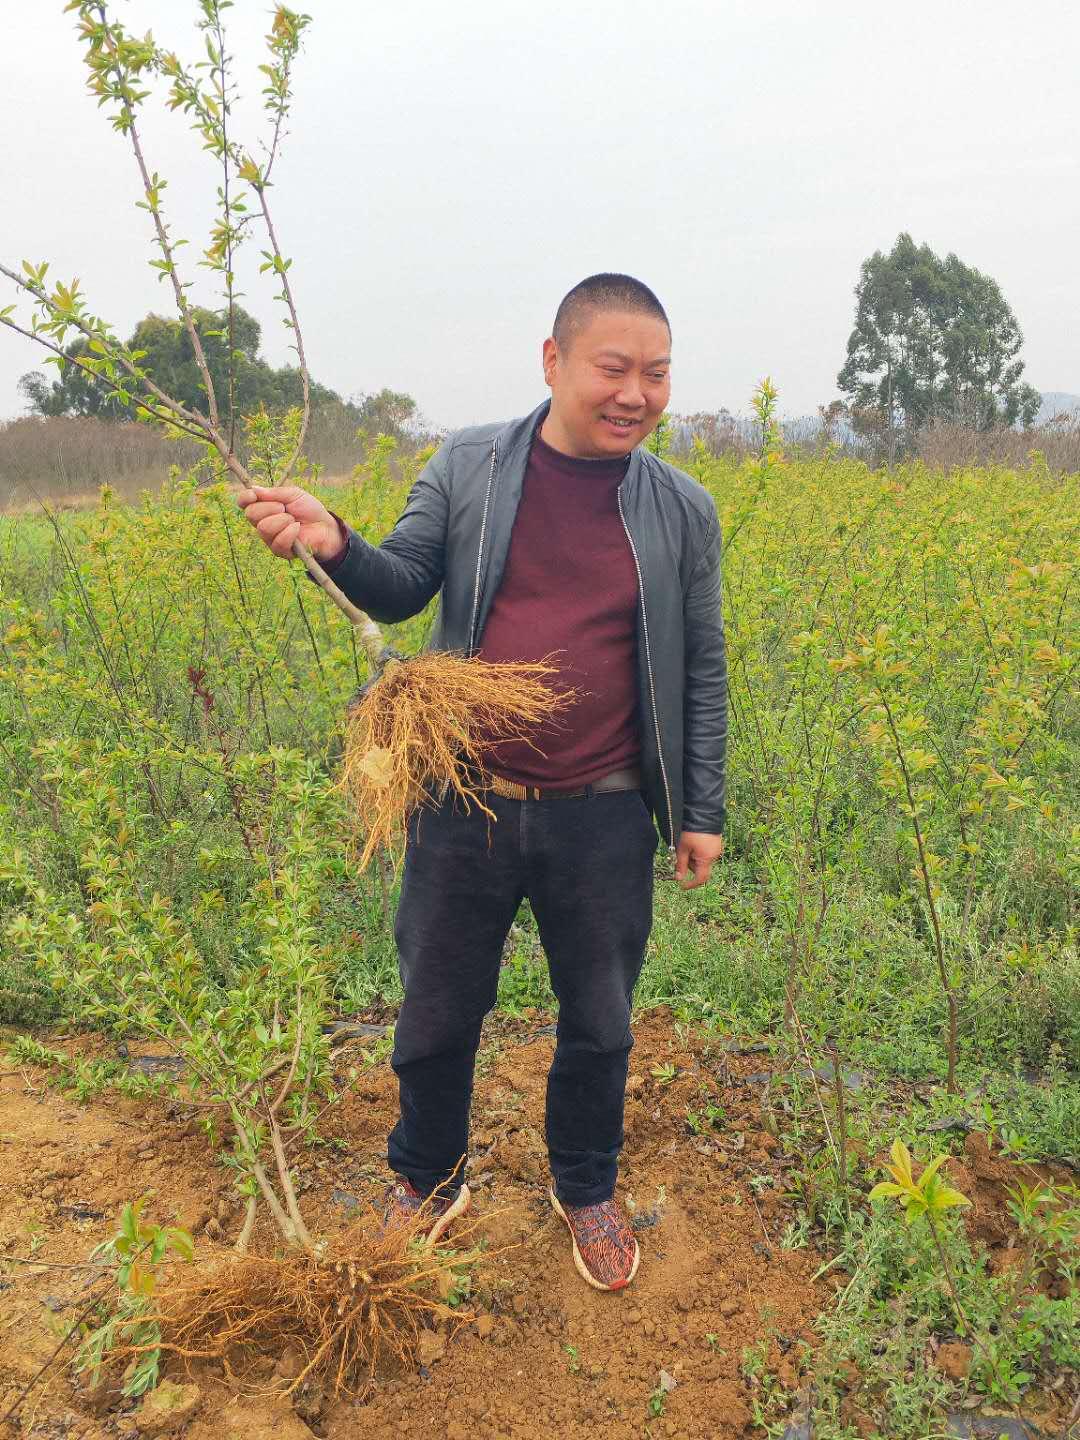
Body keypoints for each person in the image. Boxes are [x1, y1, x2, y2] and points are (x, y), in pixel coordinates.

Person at [237, 273, 728, 1291]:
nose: (636, 392)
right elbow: (405, 580)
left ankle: (585, 1187)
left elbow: (703, 667)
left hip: (601, 811)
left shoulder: (683, 510)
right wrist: (333, 543)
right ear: (553, 364)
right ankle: (428, 1176)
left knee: (599, 1019)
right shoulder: (472, 464)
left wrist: (702, 810)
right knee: (436, 1007)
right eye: (614, 369)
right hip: (464, 801)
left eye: (657, 374)